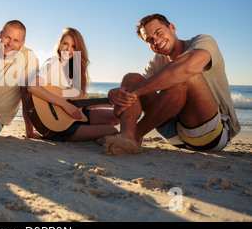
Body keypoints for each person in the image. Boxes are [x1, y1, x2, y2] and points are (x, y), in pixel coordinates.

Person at [100, 14, 241, 155]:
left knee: (186, 76)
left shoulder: (203, 41)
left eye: (158, 32)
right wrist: (116, 93)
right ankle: (127, 137)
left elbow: (188, 68)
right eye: (149, 40)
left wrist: (134, 91)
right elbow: (137, 95)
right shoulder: (155, 61)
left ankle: (135, 135)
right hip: (173, 134)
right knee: (131, 78)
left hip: (209, 134)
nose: (156, 41)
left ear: (172, 28)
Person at [23, 27, 119, 141]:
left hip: (74, 116)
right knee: (112, 131)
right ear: (59, 44)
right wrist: (65, 105)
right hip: (60, 125)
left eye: (73, 46)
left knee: (116, 117)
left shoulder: (71, 72)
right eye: (65, 44)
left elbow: (76, 103)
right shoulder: (53, 63)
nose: (69, 49)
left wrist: (105, 103)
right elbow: (32, 87)